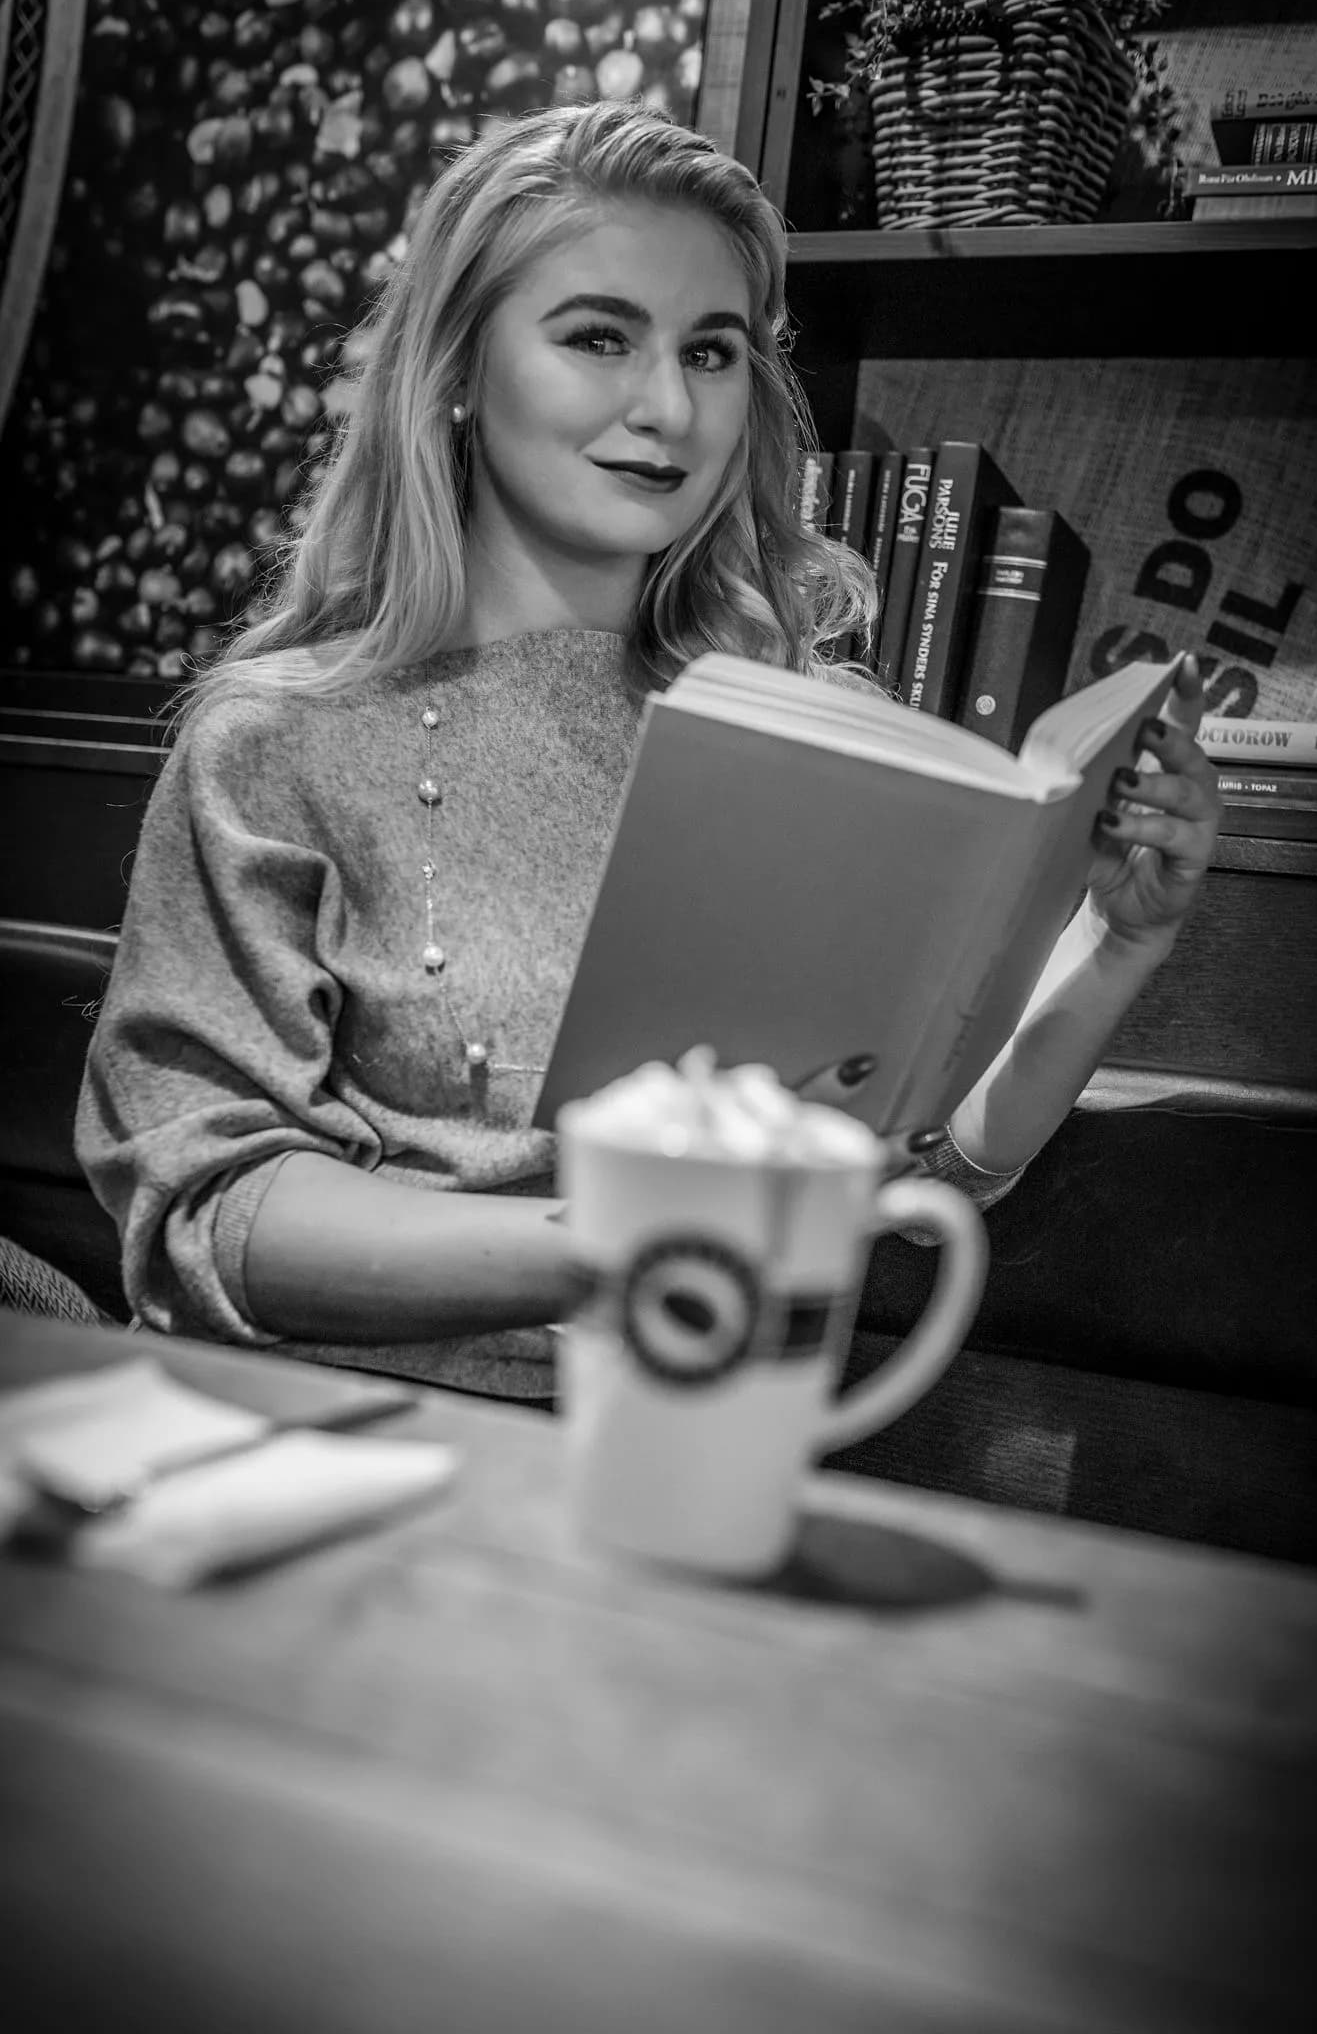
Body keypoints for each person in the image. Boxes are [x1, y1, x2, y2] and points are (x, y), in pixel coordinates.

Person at [76, 101, 1219, 1398]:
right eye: (598, 337)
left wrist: (1117, 945)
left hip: (701, 1446)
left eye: (712, 351)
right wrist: (619, 1242)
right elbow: (200, 1212)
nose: (667, 406)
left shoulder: (792, 735)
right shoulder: (281, 739)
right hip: (354, 1455)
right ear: (455, 368)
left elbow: (917, 1170)